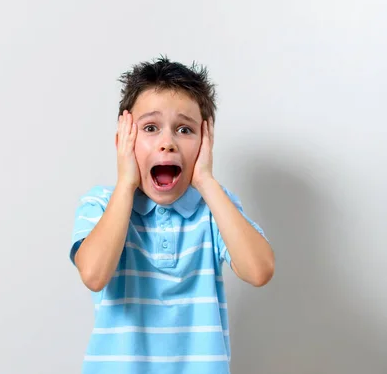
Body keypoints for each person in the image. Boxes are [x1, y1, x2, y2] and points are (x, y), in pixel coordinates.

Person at [69, 56, 275, 374]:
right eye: (150, 128)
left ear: (205, 143)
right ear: (124, 141)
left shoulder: (215, 210)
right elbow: (95, 276)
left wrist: (205, 180)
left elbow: (259, 271)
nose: (167, 143)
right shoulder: (101, 205)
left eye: (184, 129)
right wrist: (126, 183)